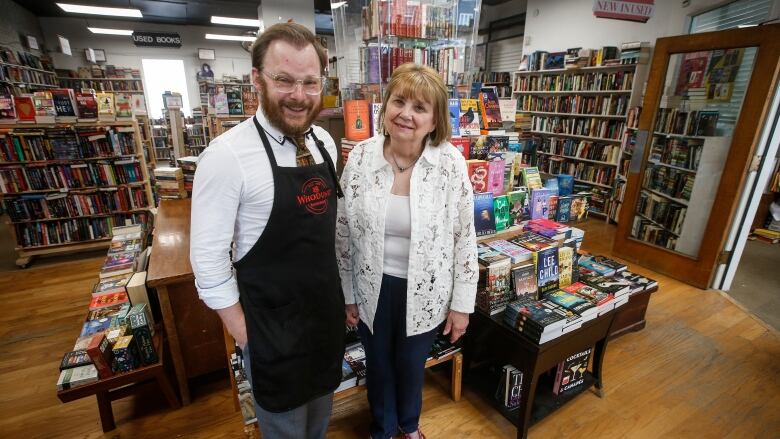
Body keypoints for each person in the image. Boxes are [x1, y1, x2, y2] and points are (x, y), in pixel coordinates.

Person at [190, 22, 345, 439]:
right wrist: (245, 333)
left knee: (318, 427)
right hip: (271, 334)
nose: (299, 95)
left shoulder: (325, 144)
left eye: (310, 83)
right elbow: (207, 259)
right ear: (257, 78)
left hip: (323, 322)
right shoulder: (226, 157)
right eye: (284, 80)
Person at [336, 63, 478, 439]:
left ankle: (409, 426)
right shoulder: (361, 158)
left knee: (412, 365)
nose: (406, 114)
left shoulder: (449, 164)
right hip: (372, 288)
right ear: (385, 108)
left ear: (434, 121)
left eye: (420, 108)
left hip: (426, 291)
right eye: (399, 101)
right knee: (379, 366)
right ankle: (382, 428)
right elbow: (343, 232)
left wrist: (462, 305)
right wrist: (348, 293)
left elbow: (465, 238)